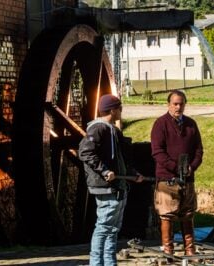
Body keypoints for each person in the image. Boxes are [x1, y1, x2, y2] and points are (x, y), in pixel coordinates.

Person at [79, 94, 144, 266]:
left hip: (118, 187)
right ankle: (96, 263)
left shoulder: (113, 130)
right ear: (113, 110)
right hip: (106, 187)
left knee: (113, 229)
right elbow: (85, 152)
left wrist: (133, 174)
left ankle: (109, 263)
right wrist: (104, 170)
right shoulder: (98, 129)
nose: (121, 111)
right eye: (120, 108)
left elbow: (122, 159)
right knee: (104, 228)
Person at [150, 90, 203, 261]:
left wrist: (192, 167)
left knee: (188, 213)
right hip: (167, 178)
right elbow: (157, 152)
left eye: (181, 103)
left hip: (187, 177)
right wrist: (175, 167)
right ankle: (168, 251)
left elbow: (198, 150)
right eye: (175, 103)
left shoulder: (191, 124)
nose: (178, 107)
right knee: (167, 214)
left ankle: (190, 250)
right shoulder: (160, 124)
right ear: (169, 104)